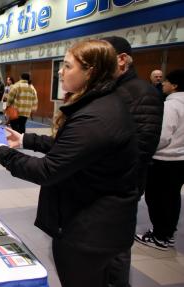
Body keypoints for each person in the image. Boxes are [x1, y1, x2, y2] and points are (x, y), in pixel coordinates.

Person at [0, 39, 139, 287]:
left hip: (91, 232)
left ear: (91, 71)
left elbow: (48, 170)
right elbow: (70, 146)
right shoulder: (100, 103)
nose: (60, 71)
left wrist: (0, 152)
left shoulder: (96, 116)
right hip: (99, 225)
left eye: (67, 66)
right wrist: (25, 139)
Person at [101, 36, 164, 287]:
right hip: (100, 185)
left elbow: (141, 148)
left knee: (115, 250)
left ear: (122, 60)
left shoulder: (142, 93)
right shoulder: (109, 89)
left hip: (120, 188)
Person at [135, 69, 184, 251]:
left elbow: (161, 136)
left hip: (164, 160)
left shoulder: (171, 106)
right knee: (172, 197)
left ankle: (160, 236)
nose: (162, 83)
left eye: (166, 81)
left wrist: (146, 151)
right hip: (180, 161)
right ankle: (168, 234)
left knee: (157, 198)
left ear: (175, 85)